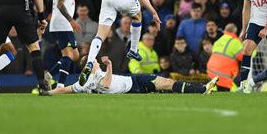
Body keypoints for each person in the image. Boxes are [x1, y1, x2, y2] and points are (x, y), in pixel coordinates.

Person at [51, 56, 218, 95]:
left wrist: (48, 93)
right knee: (168, 83)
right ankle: (202, 89)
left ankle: (202, 89)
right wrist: (109, 66)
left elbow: (66, 89)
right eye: (94, 60)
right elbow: (107, 84)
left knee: (166, 85)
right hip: (134, 82)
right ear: (89, 65)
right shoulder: (96, 76)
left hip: (131, 86)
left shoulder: (82, 83)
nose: (96, 61)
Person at [47, 0, 82, 89]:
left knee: (75, 55)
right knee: (68, 55)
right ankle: (60, 85)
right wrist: (71, 20)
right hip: (62, 24)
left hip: (64, 25)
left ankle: (49, 75)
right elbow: (60, 4)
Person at [207, 23, 243, 91]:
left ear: (224, 31)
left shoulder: (218, 41)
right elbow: (244, 57)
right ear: (235, 32)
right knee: (233, 92)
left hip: (211, 71)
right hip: (224, 73)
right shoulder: (235, 42)